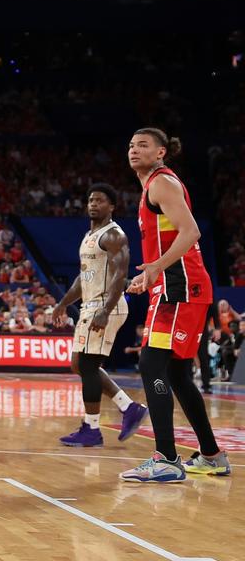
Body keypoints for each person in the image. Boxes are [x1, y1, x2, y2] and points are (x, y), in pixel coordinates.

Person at [119, 128, 229, 482]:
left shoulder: (161, 183)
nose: (135, 150)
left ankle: (166, 458)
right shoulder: (152, 186)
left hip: (181, 287)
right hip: (174, 285)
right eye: (132, 145)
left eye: (144, 145)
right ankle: (212, 455)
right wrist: (149, 274)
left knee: (152, 363)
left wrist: (156, 269)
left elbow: (191, 232)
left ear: (162, 152)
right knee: (179, 375)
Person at [51, 184, 148, 447]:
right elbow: (84, 278)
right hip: (90, 306)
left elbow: (120, 275)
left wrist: (105, 310)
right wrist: (62, 303)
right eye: (91, 200)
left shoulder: (114, 235)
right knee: (78, 364)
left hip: (106, 306)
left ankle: (91, 429)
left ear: (112, 206)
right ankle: (129, 408)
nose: (93, 204)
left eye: (100, 200)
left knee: (88, 366)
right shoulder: (89, 236)